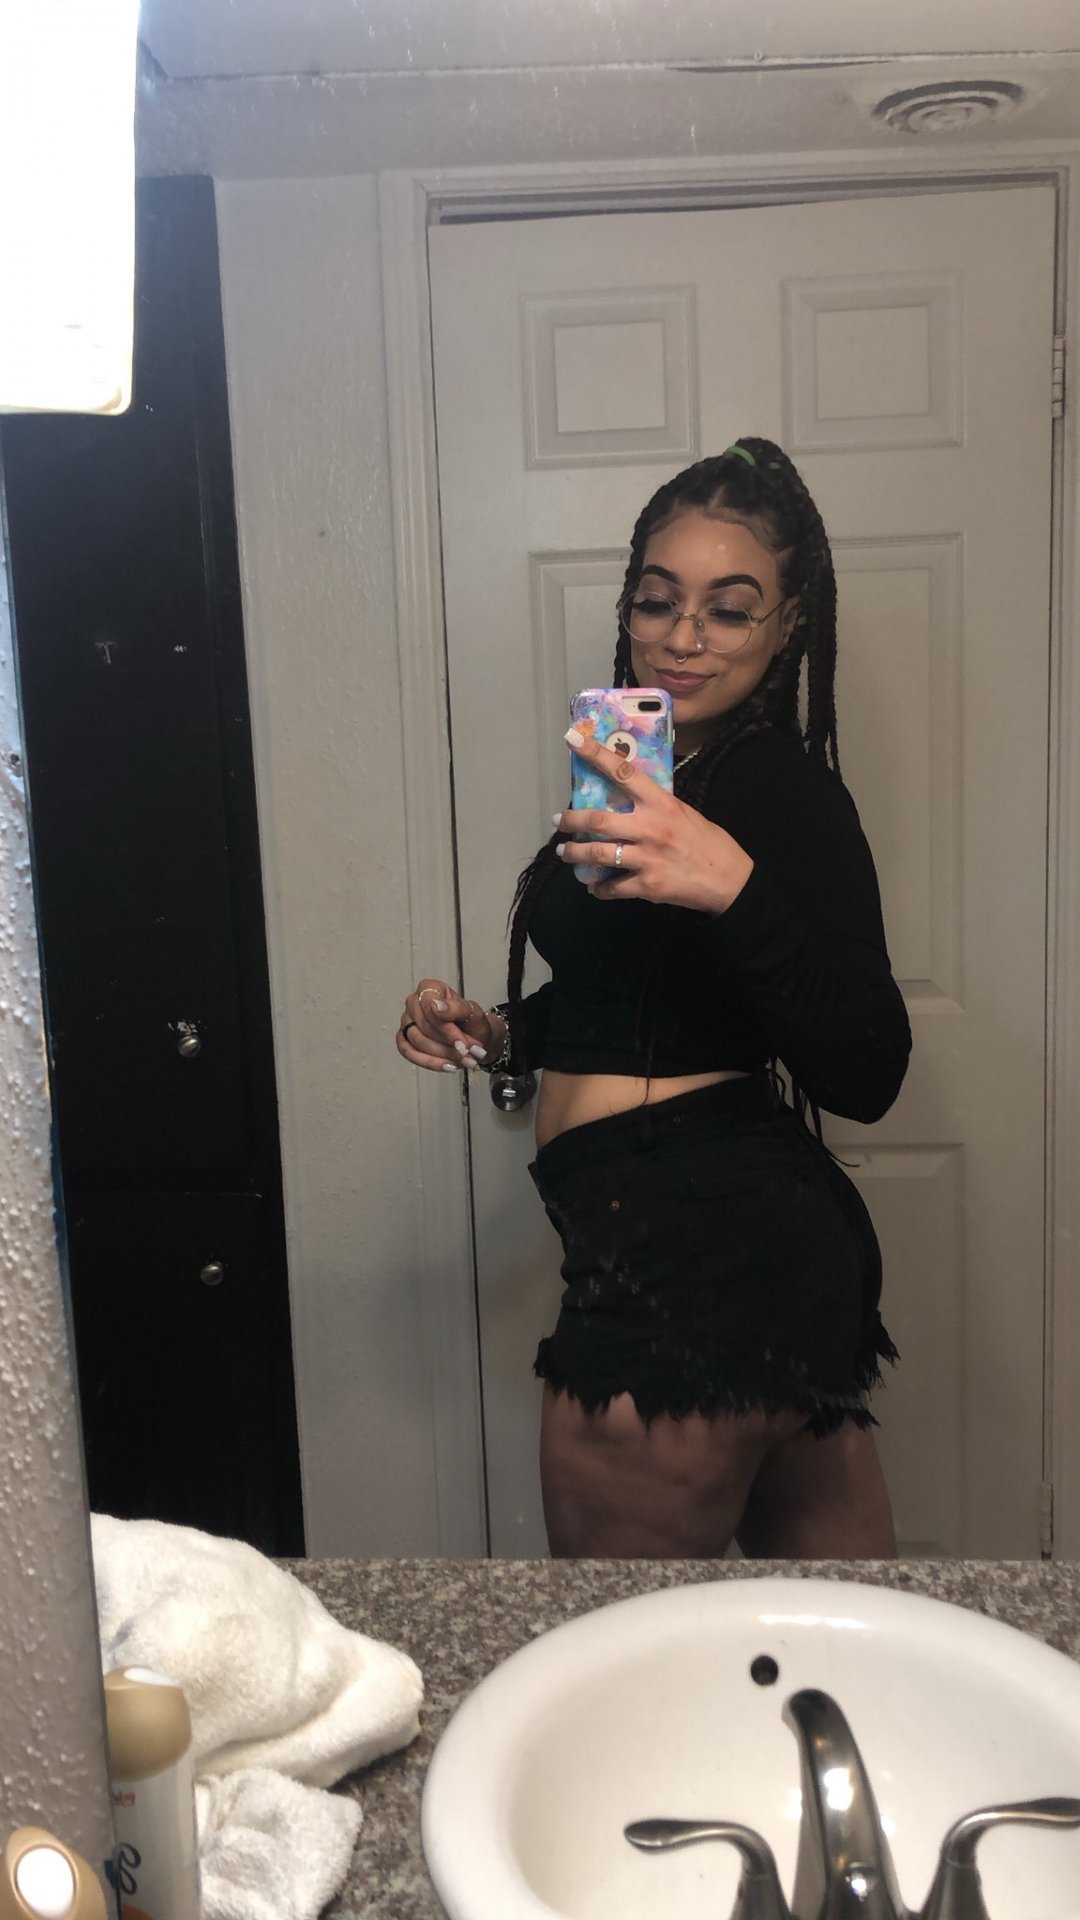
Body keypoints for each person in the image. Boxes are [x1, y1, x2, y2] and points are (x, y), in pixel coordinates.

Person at [396, 438, 911, 1559]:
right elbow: (640, 996)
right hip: (743, 1255)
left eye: (729, 609)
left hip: (691, 1261)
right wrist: (500, 1031)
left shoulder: (778, 790)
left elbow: (870, 1067)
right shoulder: (649, 776)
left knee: (625, 1649)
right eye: (658, 600)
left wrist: (731, 884)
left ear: (786, 626)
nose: (684, 637)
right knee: (831, 1634)